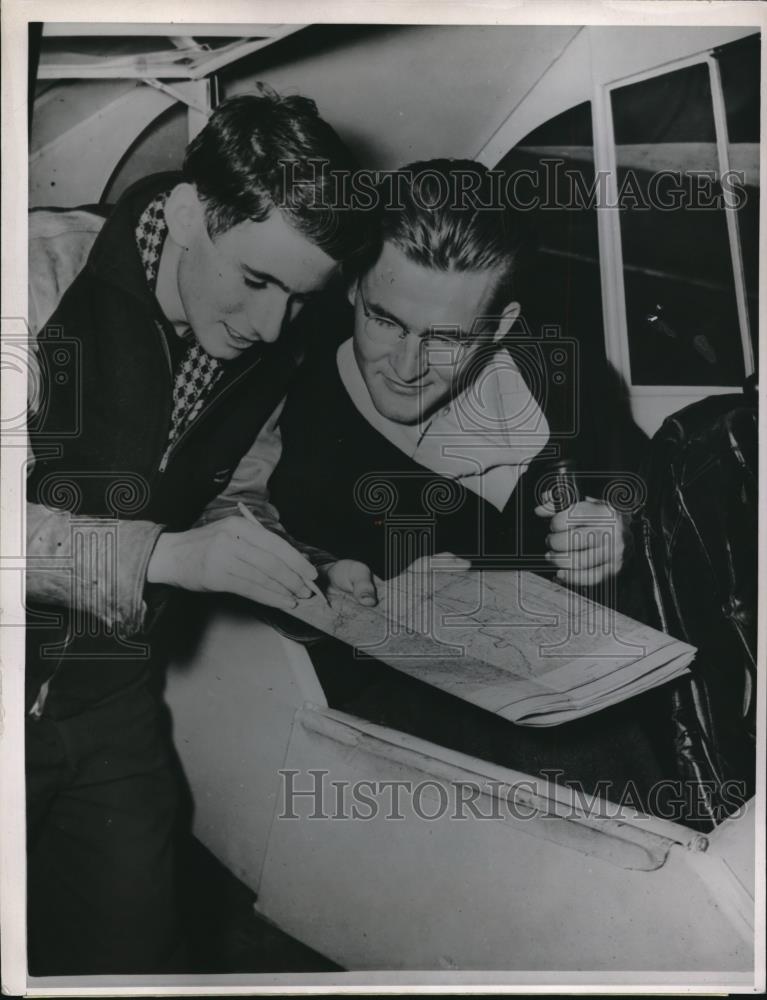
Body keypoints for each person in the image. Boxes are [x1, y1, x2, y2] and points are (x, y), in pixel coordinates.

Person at [25, 86, 375, 975]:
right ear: (187, 213)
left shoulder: (271, 337)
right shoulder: (28, 276)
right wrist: (173, 556)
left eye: (298, 301)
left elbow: (237, 490)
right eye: (256, 281)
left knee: (136, 959)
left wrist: (296, 563)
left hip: (107, 700)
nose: (269, 327)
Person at [265, 159, 668, 804]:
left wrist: (621, 523)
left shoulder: (565, 375)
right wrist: (344, 599)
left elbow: (652, 490)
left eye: (448, 337)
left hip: (624, 708)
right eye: (384, 320)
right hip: (415, 762)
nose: (405, 365)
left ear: (501, 326)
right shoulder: (291, 403)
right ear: (352, 289)